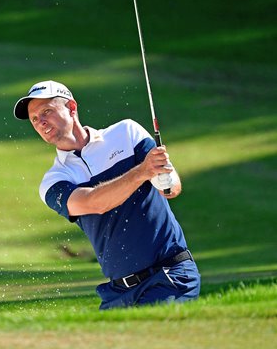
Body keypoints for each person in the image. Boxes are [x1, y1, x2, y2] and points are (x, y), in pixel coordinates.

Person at [13, 80, 200, 310]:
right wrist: (141, 171)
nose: (40, 122)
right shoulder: (54, 180)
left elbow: (170, 187)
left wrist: (164, 177)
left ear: (72, 108)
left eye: (47, 112)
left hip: (168, 275)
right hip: (117, 292)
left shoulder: (126, 133)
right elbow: (94, 203)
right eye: (34, 119)